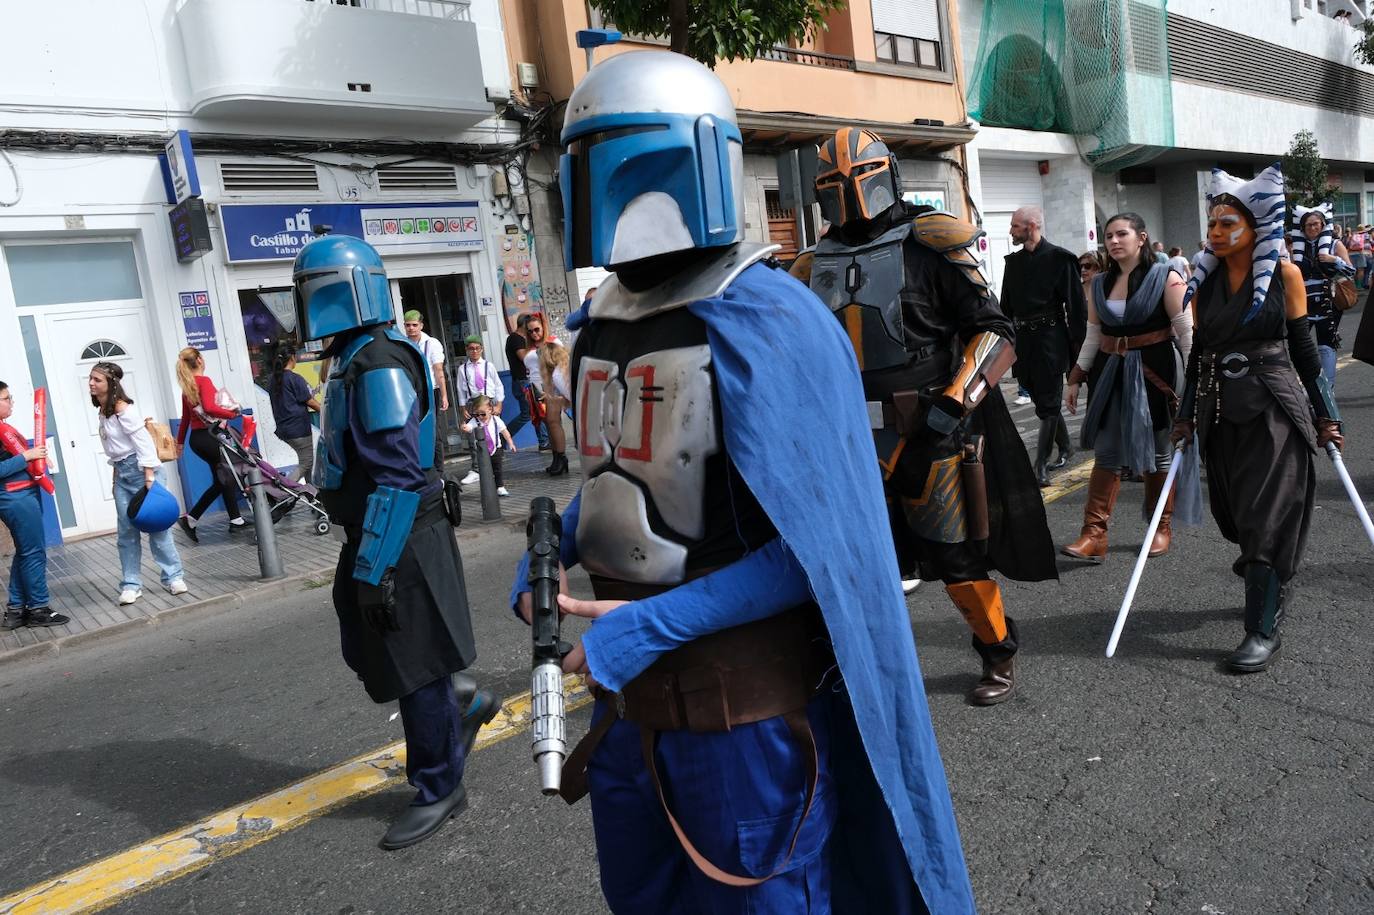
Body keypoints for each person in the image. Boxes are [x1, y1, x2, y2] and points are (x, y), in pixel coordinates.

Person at [513, 52, 974, 913]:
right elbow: (629, 468)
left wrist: (643, 629)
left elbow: (818, 555)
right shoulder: (600, 319)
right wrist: (564, 536)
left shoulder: (770, 316)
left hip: (741, 730)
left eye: (623, 153)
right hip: (629, 723)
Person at [800, 127, 1056, 704]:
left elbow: (993, 330)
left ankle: (998, 651)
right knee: (855, 561)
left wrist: (952, 405)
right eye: (833, 183)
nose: (849, 191)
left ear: (886, 173)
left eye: (859, 176)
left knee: (955, 557)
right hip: (846, 437)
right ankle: (867, 667)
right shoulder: (811, 263)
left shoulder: (930, 242)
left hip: (932, 431)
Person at [293, 233, 498, 849]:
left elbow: (398, 477)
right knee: (369, 647)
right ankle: (459, 700)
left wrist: (377, 568)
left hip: (400, 531)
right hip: (382, 532)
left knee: (412, 666)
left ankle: (440, 784)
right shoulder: (357, 352)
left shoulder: (377, 360)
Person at [1175, 163, 1343, 673]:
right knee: (1238, 516)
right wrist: (1184, 417)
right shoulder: (1203, 283)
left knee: (1267, 515)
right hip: (1220, 408)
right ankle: (1265, 580)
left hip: (1274, 404)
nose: (1217, 233)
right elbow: (1200, 351)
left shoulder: (1286, 274)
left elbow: (1305, 351)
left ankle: (1261, 627)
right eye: (1213, 225)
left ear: (1257, 227)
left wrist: (1326, 415)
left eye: (1229, 224)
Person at [1063, 214, 1197, 562]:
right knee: (1107, 451)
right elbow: (1093, 335)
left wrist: (1196, 384)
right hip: (1110, 373)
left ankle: (1160, 527)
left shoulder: (1167, 277)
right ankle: (1094, 535)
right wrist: (1076, 376)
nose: (1114, 241)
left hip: (1157, 372)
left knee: (1157, 451)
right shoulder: (1099, 283)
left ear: (1141, 237)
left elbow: (1186, 335)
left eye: (1122, 234)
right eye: (1109, 235)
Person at [88, 361, 188, 606]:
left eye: (97, 380)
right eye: (90, 379)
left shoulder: (123, 410)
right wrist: (115, 480)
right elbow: (115, 451)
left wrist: (149, 479)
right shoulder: (104, 411)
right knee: (126, 533)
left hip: (144, 473)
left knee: (157, 528)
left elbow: (143, 444)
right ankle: (131, 584)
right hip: (122, 475)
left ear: (111, 384)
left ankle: (173, 577)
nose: (91, 383)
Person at [1001, 205, 1086, 484]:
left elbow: (1076, 308)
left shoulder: (1061, 259)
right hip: (1023, 341)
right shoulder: (1012, 263)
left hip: (1051, 340)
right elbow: (1005, 308)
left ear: (1032, 226)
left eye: (1015, 226)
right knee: (1040, 401)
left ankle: (1040, 465)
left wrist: (1079, 354)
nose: (1011, 231)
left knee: (1049, 403)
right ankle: (1066, 445)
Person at [0, 382, 65, 630]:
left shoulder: (4, 427)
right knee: (34, 553)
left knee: (26, 552)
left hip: (22, 495)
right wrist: (25, 457)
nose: (11, 401)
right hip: (15, 498)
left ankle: (16, 611)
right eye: (7, 398)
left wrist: (34, 455)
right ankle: (38, 608)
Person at [174, 347, 247, 541]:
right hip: (210, 436)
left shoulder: (187, 387)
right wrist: (233, 413)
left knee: (222, 479)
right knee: (227, 475)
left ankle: (195, 519)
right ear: (199, 360)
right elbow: (209, 407)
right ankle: (234, 521)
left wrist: (180, 443)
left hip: (197, 440)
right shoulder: (204, 381)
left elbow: (185, 419)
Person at [1290, 204, 1355, 387]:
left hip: (1328, 303)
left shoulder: (1335, 244)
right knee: (1298, 348)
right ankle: (1305, 387)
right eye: (1308, 225)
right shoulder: (1295, 248)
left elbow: (1351, 271)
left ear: (1323, 224)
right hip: (1302, 304)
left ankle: (1328, 390)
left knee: (1326, 346)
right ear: (1302, 228)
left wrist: (1335, 260)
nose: (1312, 228)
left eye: (1316, 224)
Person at [453, 335, 505, 485]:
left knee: (493, 433)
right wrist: (463, 408)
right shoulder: (463, 369)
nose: (474, 351)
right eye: (471, 349)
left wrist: (499, 404)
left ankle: (496, 466)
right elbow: (460, 389)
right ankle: (476, 469)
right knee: (473, 436)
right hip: (473, 403)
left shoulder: (489, 366)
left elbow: (498, 385)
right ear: (467, 350)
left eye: (477, 348)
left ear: (482, 349)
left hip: (489, 402)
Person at [267, 350, 320, 483]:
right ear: (292, 358)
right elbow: (310, 401)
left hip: (283, 429)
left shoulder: (273, 379)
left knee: (306, 460)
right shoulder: (294, 379)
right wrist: (326, 411)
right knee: (307, 462)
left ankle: (312, 493)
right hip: (298, 429)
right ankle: (286, 489)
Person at [461, 395, 514, 496]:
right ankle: (488, 488)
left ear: (490, 409)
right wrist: (465, 427)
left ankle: (500, 487)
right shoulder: (475, 421)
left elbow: (505, 431)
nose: (480, 417)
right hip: (482, 450)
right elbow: (469, 427)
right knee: (485, 471)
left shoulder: (496, 420)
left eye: (483, 414)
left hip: (496, 449)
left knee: (497, 469)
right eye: (477, 414)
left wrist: (511, 443)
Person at [402, 310, 449, 416]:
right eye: (408, 325)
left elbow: (438, 370)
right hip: (411, 392)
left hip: (430, 390)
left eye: (415, 325)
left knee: (433, 425)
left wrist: (444, 395)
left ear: (421, 325)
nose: (411, 328)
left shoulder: (432, 343)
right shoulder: (403, 344)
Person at [537, 341, 571, 477]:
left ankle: (561, 460)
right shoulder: (563, 368)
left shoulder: (557, 374)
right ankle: (560, 459)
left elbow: (571, 396)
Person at [503, 314, 534, 441]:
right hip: (522, 381)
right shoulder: (515, 339)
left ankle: (544, 441)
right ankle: (504, 436)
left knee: (535, 412)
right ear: (524, 325)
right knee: (527, 414)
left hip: (524, 380)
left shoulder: (519, 338)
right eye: (530, 328)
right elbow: (523, 357)